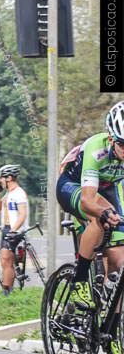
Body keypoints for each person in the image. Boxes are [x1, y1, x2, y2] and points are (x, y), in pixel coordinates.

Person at [57, 100, 124, 315]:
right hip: (72, 185)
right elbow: (88, 200)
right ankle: (79, 282)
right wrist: (104, 212)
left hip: (105, 187)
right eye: (123, 145)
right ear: (112, 139)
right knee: (99, 217)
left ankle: (113, 331)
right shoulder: (97, 149)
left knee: (118, 259)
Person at [0, 165, 29, 295]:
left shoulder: (19, 193)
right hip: (6, 229)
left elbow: (22, 214)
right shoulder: (9, 194)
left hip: (15, 230)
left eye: (1, 178)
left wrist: (13, 231)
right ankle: (9, 289)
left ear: (8, 178)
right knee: (6, 261)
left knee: (6, 260)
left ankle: (6, 291)